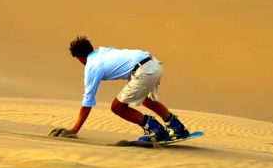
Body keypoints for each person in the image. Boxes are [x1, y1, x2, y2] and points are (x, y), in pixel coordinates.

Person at [48, 36, 191, 142]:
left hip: (143, 71)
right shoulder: (103, 52)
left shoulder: (92, 66)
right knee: (147, 101)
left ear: (79, 57)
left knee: (117, 107)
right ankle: (177, 128)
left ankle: (155, 130)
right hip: (154, 64)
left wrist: (74, 130)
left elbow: (87, 102)